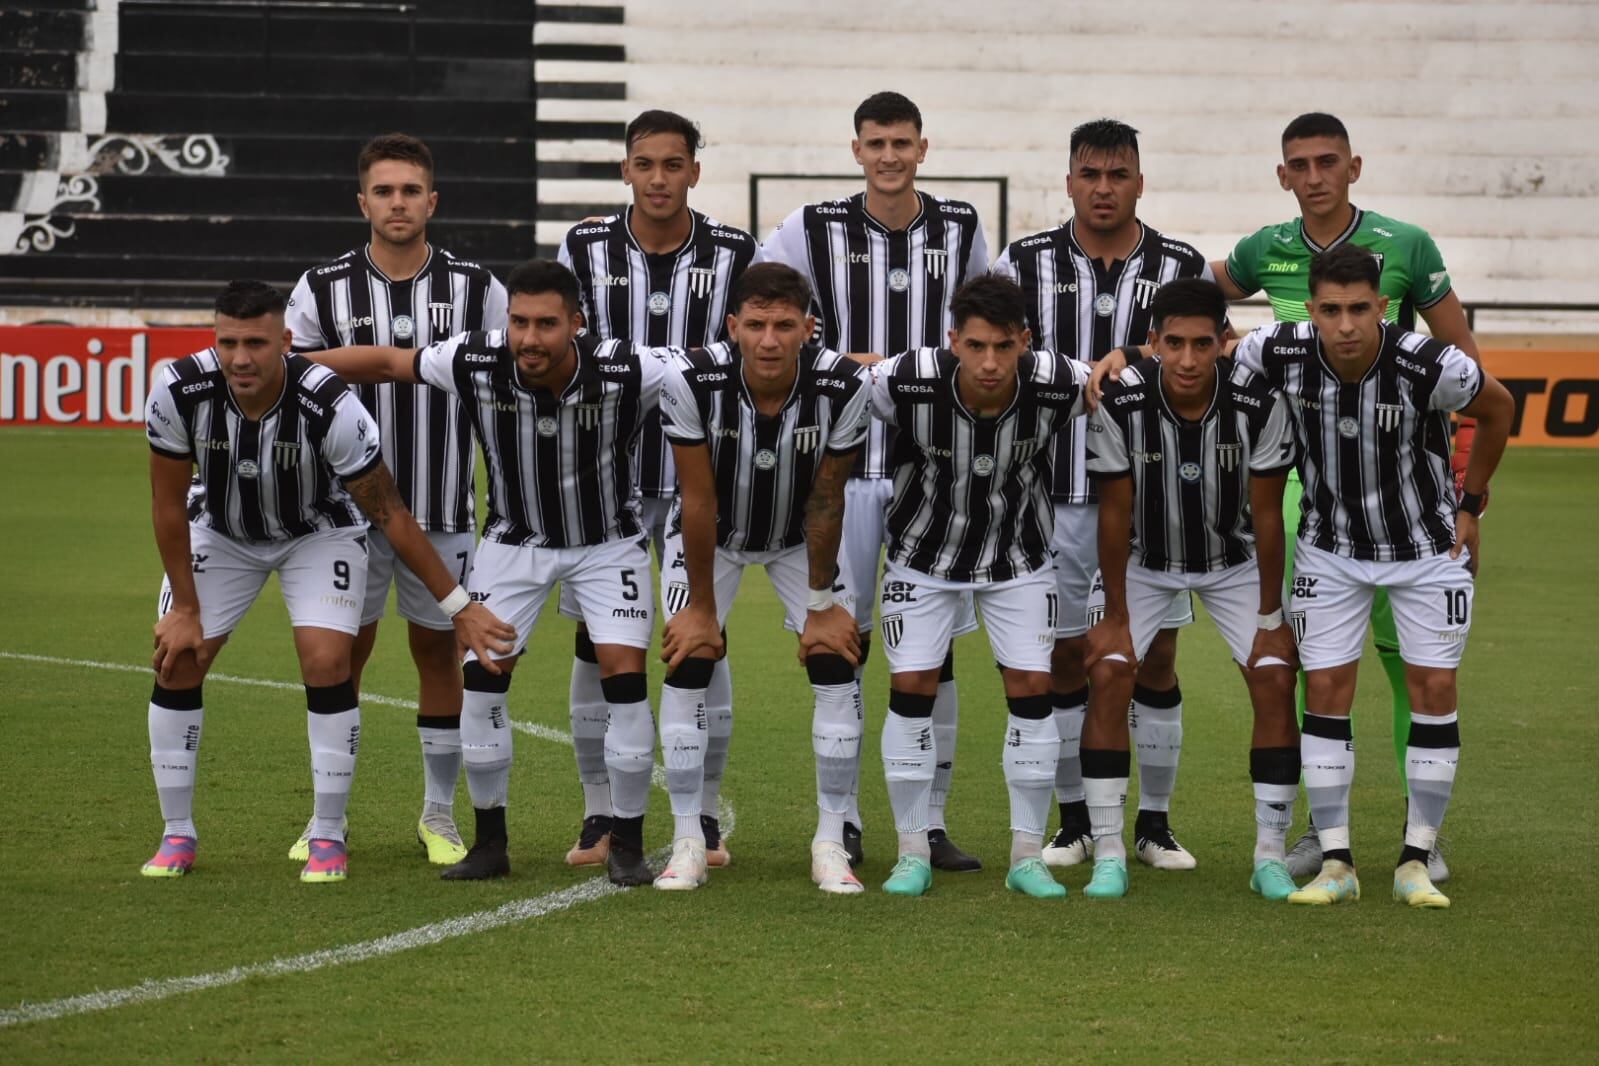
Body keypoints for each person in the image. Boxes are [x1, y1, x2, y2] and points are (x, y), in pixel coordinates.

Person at [303, 260, 672, 886]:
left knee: (625, 676)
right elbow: (392, 363)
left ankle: (627, 843)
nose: (529, 338)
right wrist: (300, 367)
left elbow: (718, 364)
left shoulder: (629, 367)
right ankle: (490, 841)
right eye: (520, 322)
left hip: (610, 544)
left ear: (577, 325)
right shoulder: (475, 360)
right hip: (512, 543)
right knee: (484, 674)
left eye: (547, 325)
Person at [141, 280, 513, 884]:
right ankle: (176, 833)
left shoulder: (330, 403)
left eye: (256, 343)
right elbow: (165, 505)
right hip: (221, 532)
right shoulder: (178, 389)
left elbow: (389, 513)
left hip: (318, 532)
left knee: (327, 660)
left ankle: (328, 832)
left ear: (285, 342)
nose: (240, 358)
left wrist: (458, 605)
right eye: (228, 342)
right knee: (178, 659)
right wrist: (184, 605)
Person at [1212, 112, 1483, 881]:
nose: (1314, 176)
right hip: (1304, 484)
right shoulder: (1265, 247)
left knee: (1409, 664)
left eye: (1327, 161)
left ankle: (1418, 831)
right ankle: (1317, 830)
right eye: (1298, 164)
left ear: (1352, 167)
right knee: (1311, 666)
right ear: (1282, 175)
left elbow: (1463, 364)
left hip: (1398, 485)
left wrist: (1466, 495)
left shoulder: (1405, 245)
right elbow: (1199, 301)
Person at [1226, 244, 1512, 908]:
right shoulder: (1275, 350)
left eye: (1359, 309)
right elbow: (1212, 355)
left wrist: (1471, 503)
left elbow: (1496, 408)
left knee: (1432, 685)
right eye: (1330, 310)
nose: (1346, 324)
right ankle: (1336, 863)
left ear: (1382, 308)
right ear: (1311, 311)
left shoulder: (1430, 363)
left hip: (1424, 549)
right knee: (1324, 687)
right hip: (1330, 549)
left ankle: (1415, 858)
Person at [763, 90, 989, 871]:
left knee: (938, 651)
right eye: (875, 143)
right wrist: (849, 366)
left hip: (933, 468)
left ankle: (927, 822)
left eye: (901, 143)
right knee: (841, 639)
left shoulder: (960, 226)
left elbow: (980, 324)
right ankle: (844, 819)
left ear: (922, 149)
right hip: (844, 470)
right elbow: (766, 305)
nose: (888, 156)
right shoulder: (810, 227)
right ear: (855, 149)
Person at [283, 132, 509, 867]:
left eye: (411, 190)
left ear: (432, 200)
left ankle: (438, 816)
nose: (398, 202)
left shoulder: (478, 288)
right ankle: (328, 818)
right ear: (363, 202)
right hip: (341, 515)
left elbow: (501, 379)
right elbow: (289, 377)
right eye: (384, 191)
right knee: (341, 654)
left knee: (439, 652)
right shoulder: (320, 287)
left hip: (440, 503)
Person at [993, 118, 1211, 871]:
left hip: (1152, 503)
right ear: (1068, 182)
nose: (1103, 188)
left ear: (1139, 182)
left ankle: (1152, 824)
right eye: (1090, 174)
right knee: (1059, 659)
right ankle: (1074, 820)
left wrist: (1142, 355)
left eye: (1118, 175)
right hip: (1046, 494)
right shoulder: (1021, 260)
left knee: (1150, 660)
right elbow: (993, 351)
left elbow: (1210, 347)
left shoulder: (1180, 262)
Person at [555, 110, 760, 869]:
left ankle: (702, 815)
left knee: (697, 634)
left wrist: (649, 364)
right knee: (592, 641)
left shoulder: (736, 248)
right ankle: (598, 812)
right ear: (625, 170)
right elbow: (568, 341)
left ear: (693, 173)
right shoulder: (583, 245)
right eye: (645, 164)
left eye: (673, 164)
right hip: (600, 473)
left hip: (695, 476)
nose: (659, 178)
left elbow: (747, 346)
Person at [1077, 278, 1300, 901]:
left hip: (1234, 560)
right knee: (1112, 670)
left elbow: (1266, 515)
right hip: (1146, 561)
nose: (1188, 360)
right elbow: (1114, 515)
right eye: (1173, 344)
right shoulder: (1122, 402)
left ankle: (1270, 852)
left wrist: (1269, 614)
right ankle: (1110, 849)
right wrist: (1116, 615)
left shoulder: (1258, 401)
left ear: (1223, 342)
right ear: (1153, 343)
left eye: (1203, 344)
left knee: (1276, 673)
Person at [868, 274, 1090, 900]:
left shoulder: (1057, 381)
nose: (989, 362)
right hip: (920, 558)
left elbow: (1115, 377)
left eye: (1003, 346)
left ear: (1025, 341)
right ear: (952, 342)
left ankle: (1027, 855)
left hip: (1018, 560)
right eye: (974, 346)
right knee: (911, 689)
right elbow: (845, 381)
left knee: (1031, 690)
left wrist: (1124, 357)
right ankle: (912, 850)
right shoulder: (907, 379)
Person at [653, 262, 870, 893]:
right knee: (688, 660)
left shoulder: (842, 383)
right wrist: (698, 608)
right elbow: (696, 498)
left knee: (835, 661)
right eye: (755, 325)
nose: (769, 340)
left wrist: (823, 602)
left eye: (783, 325)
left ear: (809, 327)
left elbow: (828, 498)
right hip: (711, 535)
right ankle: (689, 838)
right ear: (732, 326)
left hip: (800, 537)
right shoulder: (689, 378)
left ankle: (831, 841)